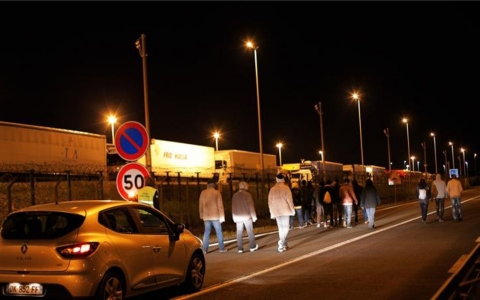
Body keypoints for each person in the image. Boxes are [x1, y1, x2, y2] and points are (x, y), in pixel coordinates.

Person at [268, 173, 295, 252]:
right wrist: (292, 210)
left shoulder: (272, 189)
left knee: (281, 228)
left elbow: (270, 202)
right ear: (283, 179)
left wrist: (271, 211)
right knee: (286, 227)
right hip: (285, 210)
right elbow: (290, 201)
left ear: (276, 180)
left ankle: (283, 244)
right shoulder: (286, 188)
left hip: (276, 211)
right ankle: (281, 242)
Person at [199, 179, 227, 253]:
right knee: (218, 231)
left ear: (207, 185)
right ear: (214, 185)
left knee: (207, 232)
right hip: (215, 216)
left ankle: (205, 249)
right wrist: (222, 217)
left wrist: (201, 214)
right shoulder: (217, 193)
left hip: (206, 216)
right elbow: (220, 206)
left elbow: (200, 205)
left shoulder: (203, 193)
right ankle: (221, 248)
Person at [231, 181, 259, 253]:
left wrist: (234, 217)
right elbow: (251, 207)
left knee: (239, 233)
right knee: (250, 231)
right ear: (244, 186)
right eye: (247, 185)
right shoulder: (247, 195)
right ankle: (252, 246)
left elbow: (233, 207)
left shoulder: (234, 195)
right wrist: (254, 216)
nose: (248, 186)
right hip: (246, 216)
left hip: (237, 217)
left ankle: (240, 248)